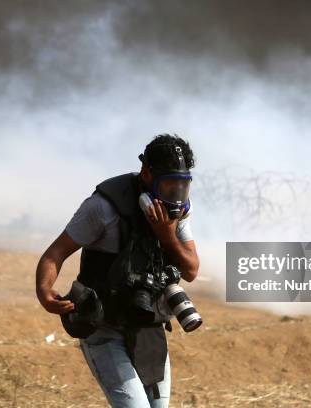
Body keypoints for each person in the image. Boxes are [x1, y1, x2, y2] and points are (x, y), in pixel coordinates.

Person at [35, 134, 200, 407]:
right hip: (103, 327)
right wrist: (44, 291)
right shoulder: (104, 207)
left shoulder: (177, 214)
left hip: (148, 327)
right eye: (170, 183)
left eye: (184, 184)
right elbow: (55, 254)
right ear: (147, 175)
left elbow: (191, 270)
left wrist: (166, 235)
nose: (177, 193)